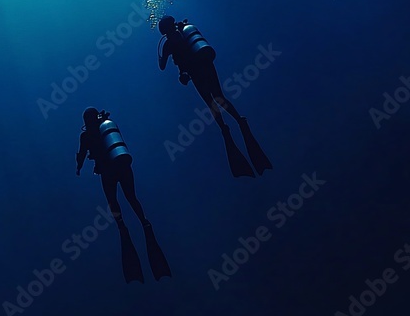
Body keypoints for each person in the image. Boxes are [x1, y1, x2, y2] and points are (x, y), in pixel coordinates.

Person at [157, 15, 272, 177]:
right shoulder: (184, 31)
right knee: (220, 96)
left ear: (163, 30)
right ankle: (239, 120)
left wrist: (161, 56)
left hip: (195, 73)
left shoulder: (168, 44)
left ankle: (224, 129)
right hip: (206, 65)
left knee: (210, 102)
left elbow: (162, 66)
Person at [76, 107, 170, 282]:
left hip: (106, 171)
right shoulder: (106, 125)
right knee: (131, 196)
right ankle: (144, 221)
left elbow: (82, 154)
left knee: (113, 201)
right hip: (122, 165)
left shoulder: (86, 136)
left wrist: (78, 167)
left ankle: (122, 225)